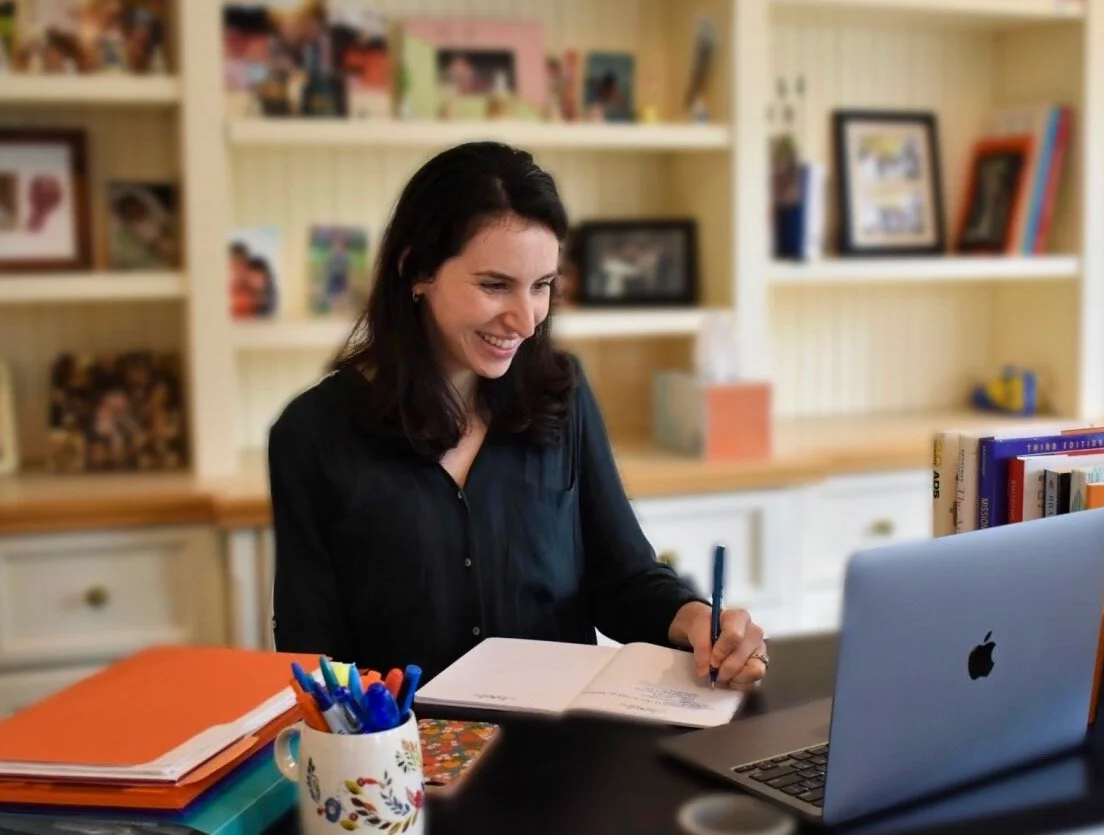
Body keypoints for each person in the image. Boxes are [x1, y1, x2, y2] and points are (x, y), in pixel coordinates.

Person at [268, 141, 769, 689]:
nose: (526, 321)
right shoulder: (311, 434)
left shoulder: (563, 394)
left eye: (542, 286)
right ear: (416, 270)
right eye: (495, 285)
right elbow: (314, 657)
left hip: (563, 736)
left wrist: (698, 620)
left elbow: (623, 579)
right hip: (402, 743)